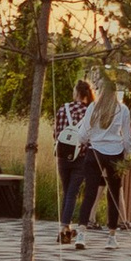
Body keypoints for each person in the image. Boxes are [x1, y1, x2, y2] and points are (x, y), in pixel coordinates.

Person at [86, 77, 131, 232]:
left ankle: (88, 221)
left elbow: (86, 131)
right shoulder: (121, 109)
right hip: (114, 152)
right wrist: (128, 153)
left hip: (95, 151)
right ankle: (116, 224)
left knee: (96, 188)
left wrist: (86, 142)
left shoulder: (94, 108)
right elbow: (126, 136)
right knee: (114, 189)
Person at [53, 78, 95, 246]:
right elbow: (90, 136)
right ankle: (65, 227)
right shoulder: (89, 112)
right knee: (72, 193)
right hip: (81, 157)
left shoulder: (63, 109)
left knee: (66, 191)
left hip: (63, 155)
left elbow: (56, 133)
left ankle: (66, 226)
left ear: (76, 92)